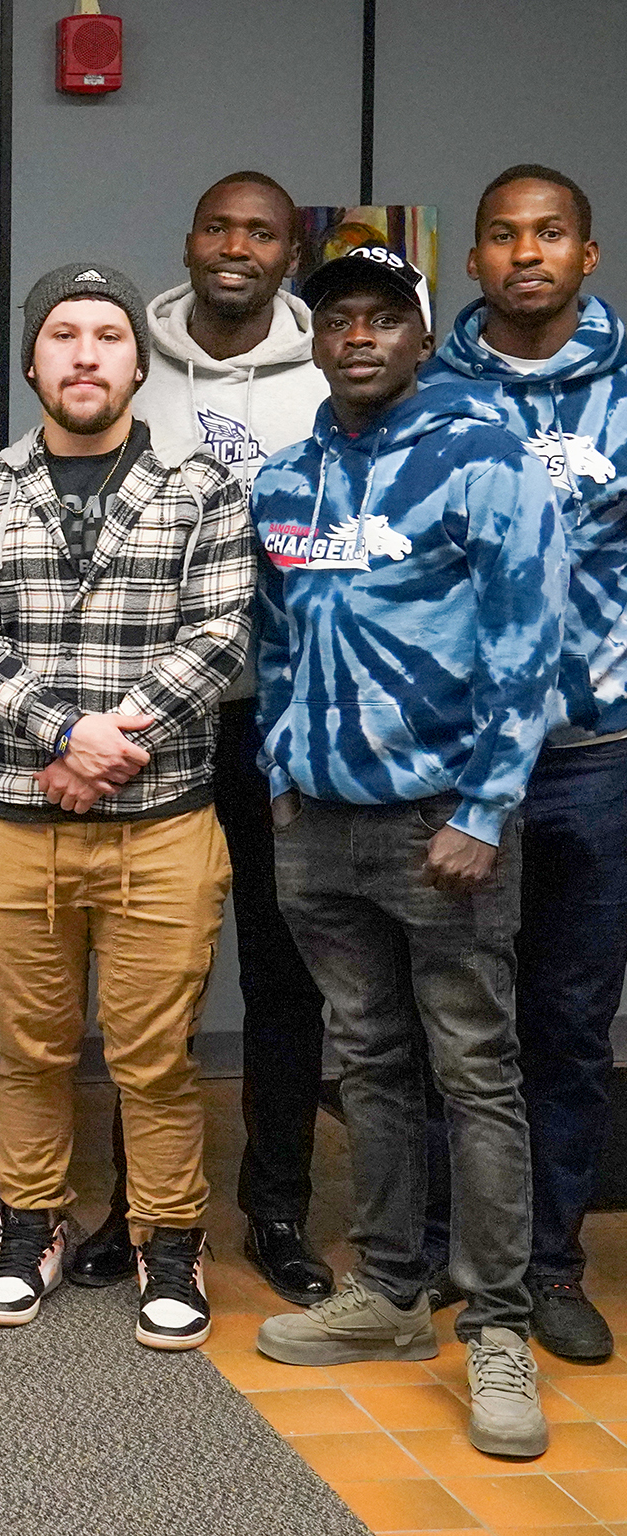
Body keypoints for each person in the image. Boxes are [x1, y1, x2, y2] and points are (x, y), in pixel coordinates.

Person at [251, 244, 565, 1460]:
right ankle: (387, 1290)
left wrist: (484, 806)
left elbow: (525, 638)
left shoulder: (481, 457)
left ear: (419, 338)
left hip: (440, 822)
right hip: (318, 824)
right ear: (316, 338)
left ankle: (494, 1325)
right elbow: (274, 641)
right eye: (339, 319)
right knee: (367, 1060)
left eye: (385, 318)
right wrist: (279, 775)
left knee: (475, 1069)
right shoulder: (284, 479)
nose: (360, 336)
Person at [0, 263, 251, 1350]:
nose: (82, 353)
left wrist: (110, 738)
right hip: (14, 825)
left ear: (136, 360)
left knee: (154, 1056)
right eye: (61, 334)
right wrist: (62, 733)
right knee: (27, 1050)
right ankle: (31, 1226)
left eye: (105, 334)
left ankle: (172, 1239)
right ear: (30, 361)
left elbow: (217, 637)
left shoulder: (200, 488)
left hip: (159, 824)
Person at [66, 173, 334, 1304]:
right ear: (189, 240)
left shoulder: (332, 372)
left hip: (283, 721)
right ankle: (136, 1209)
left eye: (260, 232)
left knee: (285, 977)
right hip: (153, 723)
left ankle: (273, 1210)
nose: (237, 246)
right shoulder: (133, 356)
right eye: (219, 226)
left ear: (286, 251)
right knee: (148, 985)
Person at [419, 166, 627, 1363]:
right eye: (501, 235)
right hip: (451, 765)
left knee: (563, 1014)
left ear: (584, 255)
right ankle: (453, 1248)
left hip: (595, 755)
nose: (524, 253)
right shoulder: (430, 395)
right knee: (450, 1013)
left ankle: (548, 1261)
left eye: (548, 233)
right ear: (474, 259)